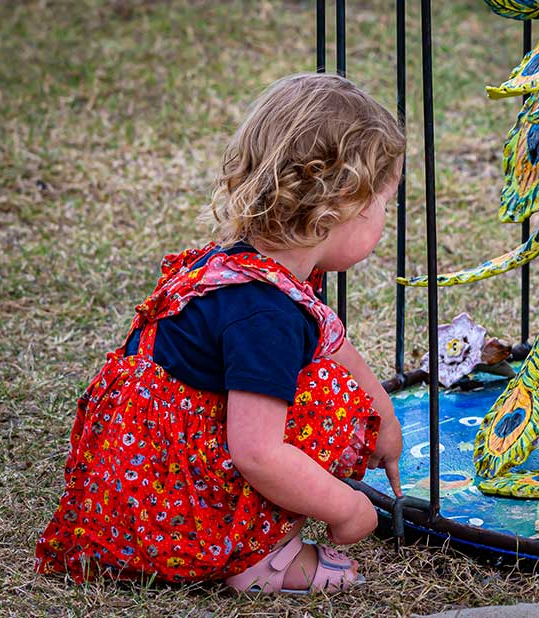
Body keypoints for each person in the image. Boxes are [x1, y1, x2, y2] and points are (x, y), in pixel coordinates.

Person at [35, 73, 405, 594]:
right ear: (338, 206)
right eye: (383, 205)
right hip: (165, 507)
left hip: (138, 472)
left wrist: (384, 416)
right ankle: (258, 559)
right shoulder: (266, 315)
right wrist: (349, 508)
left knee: (334, 385)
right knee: (327, 400)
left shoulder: (252, 264)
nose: (384, 221)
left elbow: (334, 343)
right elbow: (258, 453)